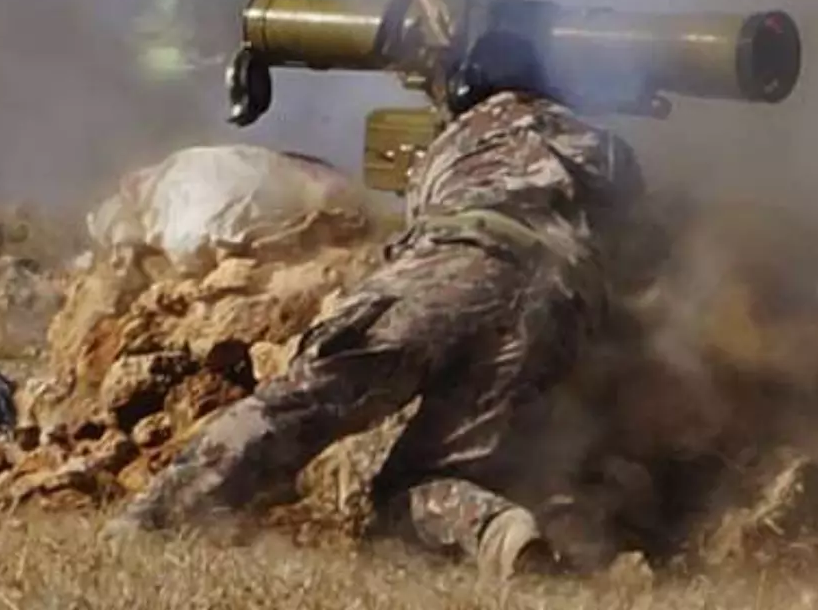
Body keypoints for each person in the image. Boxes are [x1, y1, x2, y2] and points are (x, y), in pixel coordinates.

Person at [102, 29, 647, 580]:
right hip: (557, 310)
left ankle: (151, 521)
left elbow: (422, 225)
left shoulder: (466, 132)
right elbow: (641, 254)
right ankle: (498, 531)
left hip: (459, 262)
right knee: (419, 484)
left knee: (303, 404)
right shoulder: (606, 152)